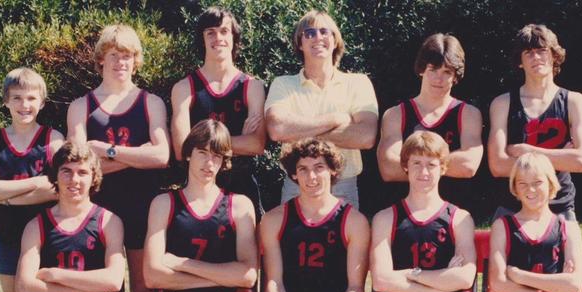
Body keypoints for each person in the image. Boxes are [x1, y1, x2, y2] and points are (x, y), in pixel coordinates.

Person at [118, 119, 257, 292]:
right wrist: (220, 276)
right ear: (189, 154)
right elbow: (153, 276)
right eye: (202, 153)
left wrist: (182, 263)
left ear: (224, 161)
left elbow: (246, 276)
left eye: (216, 156)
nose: (209, 162)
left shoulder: (239, 205)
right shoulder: (164, 204)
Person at [67, 24, 170, 292]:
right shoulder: (80, 107)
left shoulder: (151, 102)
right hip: (97, 210)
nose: (119, 62)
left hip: (142, 208)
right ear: (101, 59)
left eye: (126, 55)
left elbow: (162, 156)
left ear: (135, 60)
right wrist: (139, 155)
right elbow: (79, 163)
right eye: (113, 54)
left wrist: (108, 151)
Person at [0, 142, 125, 292]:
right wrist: (91, 288)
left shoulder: (108, 221)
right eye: (66, 171)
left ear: (94, 177)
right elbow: (24, 290)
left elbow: (112, 281)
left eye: (82, 172)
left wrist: (55, 275)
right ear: (55, 176)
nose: (74, 180)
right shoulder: (37, 225)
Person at [365, 131, 479, 292]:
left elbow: (464, 278)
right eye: (416, 163)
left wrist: (411, 273)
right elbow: (382, 281)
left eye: (431, 164)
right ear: (405, 166)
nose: (424, 172)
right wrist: (442, 283)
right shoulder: (386, 218)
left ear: (443, 168)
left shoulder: (459, 218)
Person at [257, 139, 370, 292]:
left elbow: (355, 286)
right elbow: (274, 281)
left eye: (319, 168)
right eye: (303, 169)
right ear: (294, 175)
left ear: (332, 170)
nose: (312, 177)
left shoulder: (354, 221)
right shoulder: (274, 219)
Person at [0, 67, 64, 292]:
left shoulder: (53, 140)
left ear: (42, 102)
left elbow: (54, 188)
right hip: (8, 236)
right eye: (16, 98)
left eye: (31, 98)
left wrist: (5, 194)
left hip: (47, 237)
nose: (24, 105)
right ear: (6, 101)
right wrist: (35, 182)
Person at [264, 10, 378, 209]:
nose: (318, 37)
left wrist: (299, 131)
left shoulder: (358, 83)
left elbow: (366, 136)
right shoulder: (283, 85)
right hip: (296, 186)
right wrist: (336, 119)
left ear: (335, 41)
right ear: (300, 43)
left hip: (343, 186)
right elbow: (276, 129)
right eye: (309, 33)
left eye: (325, 32)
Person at [484, 152, 582, 292]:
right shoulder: (503, 226)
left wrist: (520, 276)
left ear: (551, 183)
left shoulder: (567, 227)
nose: (530, 190)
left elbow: (575, 284)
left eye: (537, 182)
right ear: (514, 187)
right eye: (523, 183)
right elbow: (498, 285)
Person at [488, 24, 582, 221]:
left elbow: (581, 161)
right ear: (520, 61)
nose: (536, 57)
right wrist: (562, 157)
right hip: (512, 207)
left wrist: (528, 151)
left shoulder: (575, 102)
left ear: (554, 55)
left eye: (542, 51)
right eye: (528, 52)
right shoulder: (502, 104)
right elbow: (498, 165)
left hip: (559, 205)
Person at [171, 6, 266, 218]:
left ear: (234, 38)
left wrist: (201, 146)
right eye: (210, 32)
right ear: (202, 39)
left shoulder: (252, 86)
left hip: (243, 186)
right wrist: (238, 140)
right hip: (199, 189)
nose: (218, 38)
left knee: (248, 251)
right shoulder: (184, 88)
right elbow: (181, 149)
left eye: (224, 31)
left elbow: (257, 144)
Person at [377, 33, 483, 207]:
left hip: (454, 215)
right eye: (432, 69)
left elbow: (468, 166)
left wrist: (414, 163)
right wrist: (444, 164)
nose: (438, 79)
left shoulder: (468, 114)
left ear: (455, 76)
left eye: (447, 72)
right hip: (406, 215)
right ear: (421, 70)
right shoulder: (396, 115)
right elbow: (388, 169)